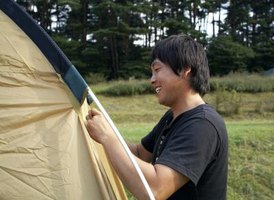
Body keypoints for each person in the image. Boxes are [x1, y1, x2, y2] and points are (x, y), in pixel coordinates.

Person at [85, 34, 228, 200]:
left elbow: (154, 190)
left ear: (184, 70)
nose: (152, 80)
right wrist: (104, 132)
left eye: (157, 70)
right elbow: (140, 153)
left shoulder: (203, 125)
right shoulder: (172, 116)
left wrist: (107, 138)